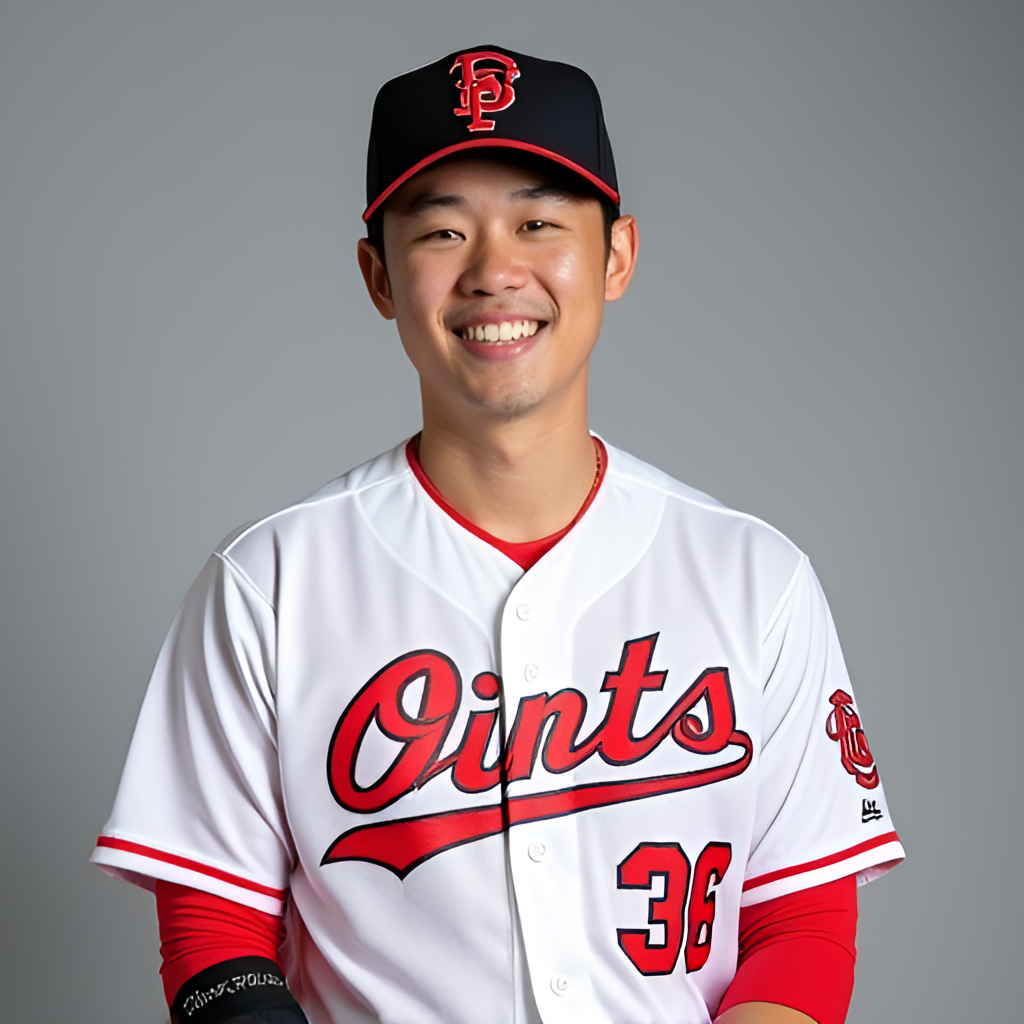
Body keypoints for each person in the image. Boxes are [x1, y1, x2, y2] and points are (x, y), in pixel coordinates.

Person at [92, 45, 903, 1024]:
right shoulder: (269, 582)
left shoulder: (753, 578)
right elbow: (215, 935)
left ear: (616, 256)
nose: (493, 270)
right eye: (439, 230)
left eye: (537, 222)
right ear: (378, 275)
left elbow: (801, 929)